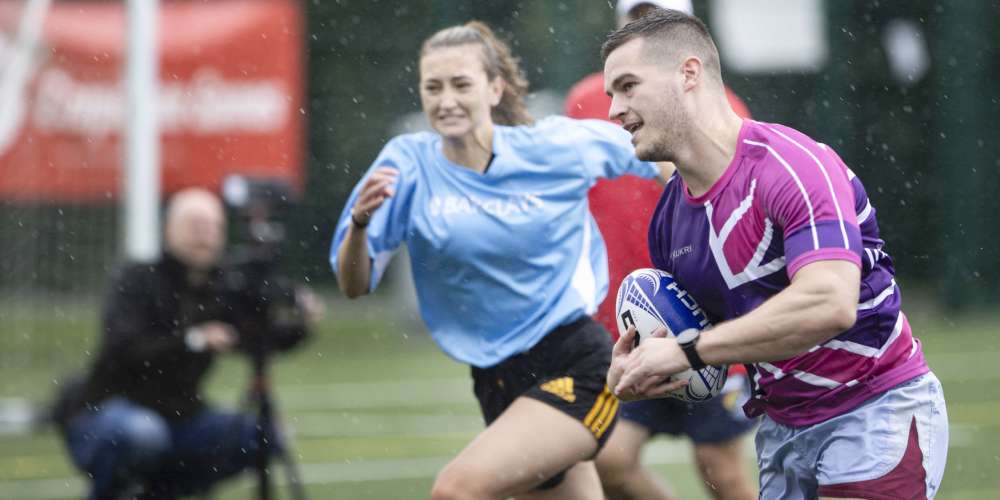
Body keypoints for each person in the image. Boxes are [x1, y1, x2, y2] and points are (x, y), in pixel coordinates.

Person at [602, 8, 948, 499]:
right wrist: (642, 367)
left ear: (689, 73)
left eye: (628, 85)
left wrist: (688, 351)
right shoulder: (669, 223)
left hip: (874, 408)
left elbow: (829, 302)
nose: (614, 109)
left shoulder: (792, 167)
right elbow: (707, 353)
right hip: (781, 430)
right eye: (610, 94)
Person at [331, 21, 663, 500]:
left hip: (575, 361)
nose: (446, 100)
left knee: (456, 489)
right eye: (433, 87)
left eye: (461, 84)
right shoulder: (406, 163)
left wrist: (705, 230)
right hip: (496, 377)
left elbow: (660, 155)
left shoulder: (551, 146)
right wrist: (360, 227)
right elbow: (354, 285)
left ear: (494, 88)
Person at [565, 1, 756, 499]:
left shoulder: (724, 106)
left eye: (657, 17)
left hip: (706, 316)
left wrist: (679, 160)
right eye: (636, 15)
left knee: (722, 468)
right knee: (610, 460)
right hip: (624, 322)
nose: (642, 28)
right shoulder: (590, 102)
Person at [52, 188, 313, 499]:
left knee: (262, 436)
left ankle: (162, 492)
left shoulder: (222, 286)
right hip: (107, 410)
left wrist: (299, 323)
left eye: (213, 226)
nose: (204, 235)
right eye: (194, 225)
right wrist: (193, 340)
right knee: (143, 435)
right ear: (168, 230)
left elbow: (257, 340)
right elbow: (125, 347)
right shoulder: (137, 278)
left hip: (182, 419)